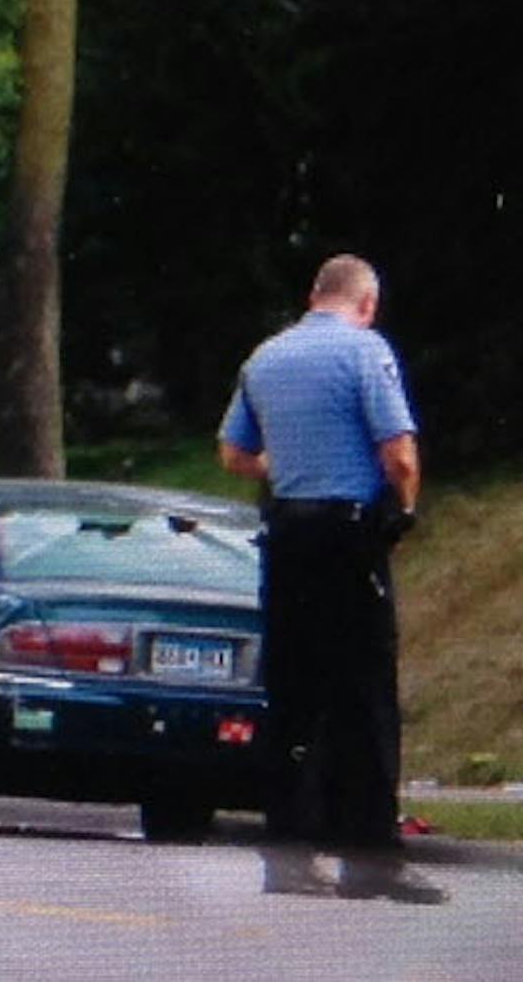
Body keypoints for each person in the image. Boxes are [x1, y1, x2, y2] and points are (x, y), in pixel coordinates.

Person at [218, 253, 444, 904]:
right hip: (348, 536)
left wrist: (290, 465)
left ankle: (289, 855)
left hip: (288, 536)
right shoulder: (365, 351)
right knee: (365, 694)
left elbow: (233, 453)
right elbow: (399, 454)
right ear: (366, 303)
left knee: (294, 694)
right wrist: (402, 512)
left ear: (314, 295)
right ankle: (371, 858)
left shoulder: (265, 358)